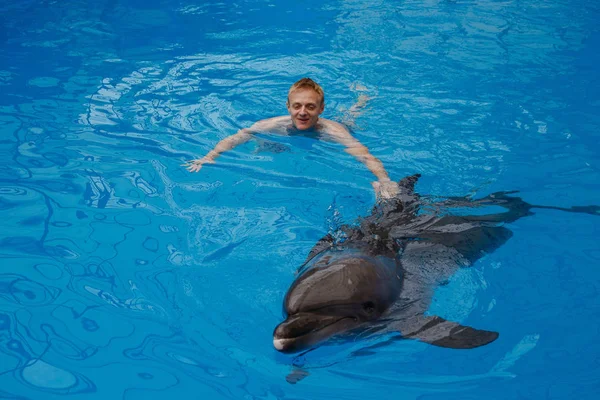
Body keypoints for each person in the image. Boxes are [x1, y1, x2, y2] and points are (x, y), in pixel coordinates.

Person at [183, 78, 399, 199]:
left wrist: (384, 180)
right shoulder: (271, 125)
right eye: (297, 106)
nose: (303, 112)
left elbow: (364, 154)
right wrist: (210, 157)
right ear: (288, 107)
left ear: (321, 109)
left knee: (350, 120)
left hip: (331, 130)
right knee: (263, 145)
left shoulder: (333, 132)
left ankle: (361, 101)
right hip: (283, 138)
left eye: (310, 107)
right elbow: (238, 137)